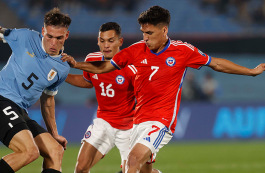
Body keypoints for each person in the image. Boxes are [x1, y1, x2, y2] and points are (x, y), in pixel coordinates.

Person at [61, 5, 265, 173]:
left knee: (131, 162)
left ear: (164, 30)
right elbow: (106, 66)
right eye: (143, 33)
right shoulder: (135, 50)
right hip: (137, 120)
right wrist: (77, 64)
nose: (145, 38)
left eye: (149, 33)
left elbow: (216, 63)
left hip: (161, 121)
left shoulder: (183, 51)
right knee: (143, 170)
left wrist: (250, 72)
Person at [0, 8, 70, 173]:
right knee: (30, 151)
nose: (53, 43)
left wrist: (54, 133)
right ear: (43, 31)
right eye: (49, 36)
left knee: (55, 151)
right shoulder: (25, 37)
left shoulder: (62, 68)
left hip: (20, 110)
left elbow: (48, 99)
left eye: (59, 38)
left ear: (66, 36)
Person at [65, 22, 161, 173]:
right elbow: (87, 82)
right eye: (102, 41)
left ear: (120, 42)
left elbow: (147, 98)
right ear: (98, 41)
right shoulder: (91, 59)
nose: (106, 45)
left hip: (128, 127)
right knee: (81, 168)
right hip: (104, 122)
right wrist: (62, 76)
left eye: (111, 40)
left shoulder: (131, 67)